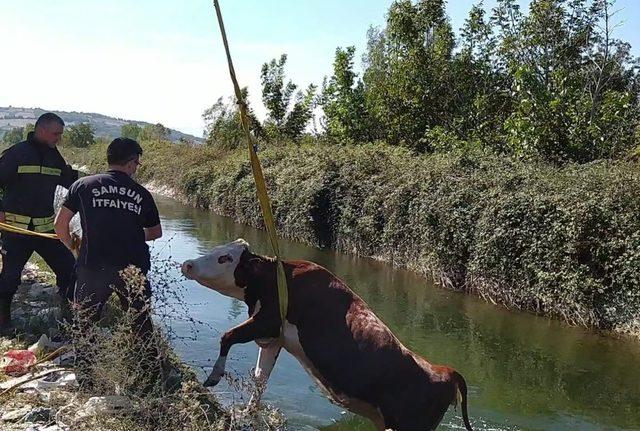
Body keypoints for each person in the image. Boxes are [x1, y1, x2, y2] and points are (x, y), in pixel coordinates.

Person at [54, 137, 162, 334]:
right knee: (140, 325)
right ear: (131, 163)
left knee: (84, 325)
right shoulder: (142, 194)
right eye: (136, 163)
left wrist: (73, 246)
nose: (136, 168)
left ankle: (86, 363)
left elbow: (60, 225)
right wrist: (130, 234)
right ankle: (144, 363)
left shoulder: (82, 185)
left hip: (92, 265)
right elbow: (156, 232)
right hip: (132, 268)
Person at [0, 113, 78, 335]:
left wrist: (93, 183)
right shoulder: (16, 154)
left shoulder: (54, 157)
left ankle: (68, 317)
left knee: (69, 271)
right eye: (56, 134)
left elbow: (68, 181)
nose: (58, 139)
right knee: (10, 278)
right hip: (16, 232)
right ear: (41, 130)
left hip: (44, 231)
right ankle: (3, 323)